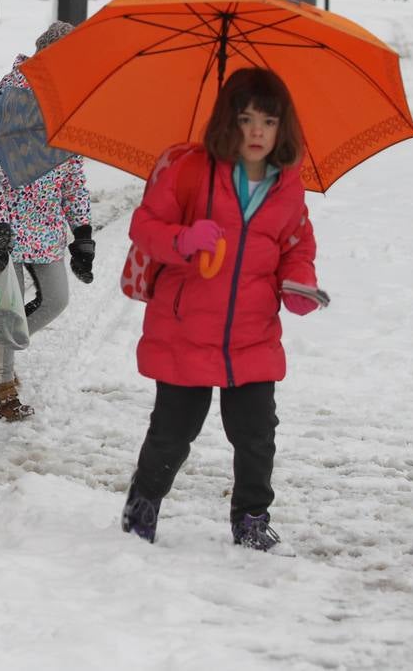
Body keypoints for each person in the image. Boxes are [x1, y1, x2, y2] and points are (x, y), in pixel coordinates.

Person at [120, 66, 322, 551]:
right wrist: (182, 239)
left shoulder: (286, 185)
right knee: (173, 431)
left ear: (282, 128)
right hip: (185, 325)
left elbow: (296, 244)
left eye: (269, 122)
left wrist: (300, 283)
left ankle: (252, 516)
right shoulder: (189, 168)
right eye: (246, 119)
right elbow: (146, 226)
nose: (256, 132)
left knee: (256, 434)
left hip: (252, 332)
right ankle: (144, 501)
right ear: (226, 121)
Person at [0, 21, 95, 422]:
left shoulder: (67, 106)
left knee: (56, 300)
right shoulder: (10, 99)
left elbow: (73, 174)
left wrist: (83, 231)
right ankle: (2, 390)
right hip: (3, 226)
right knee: (7, 310)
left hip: (43, 226)